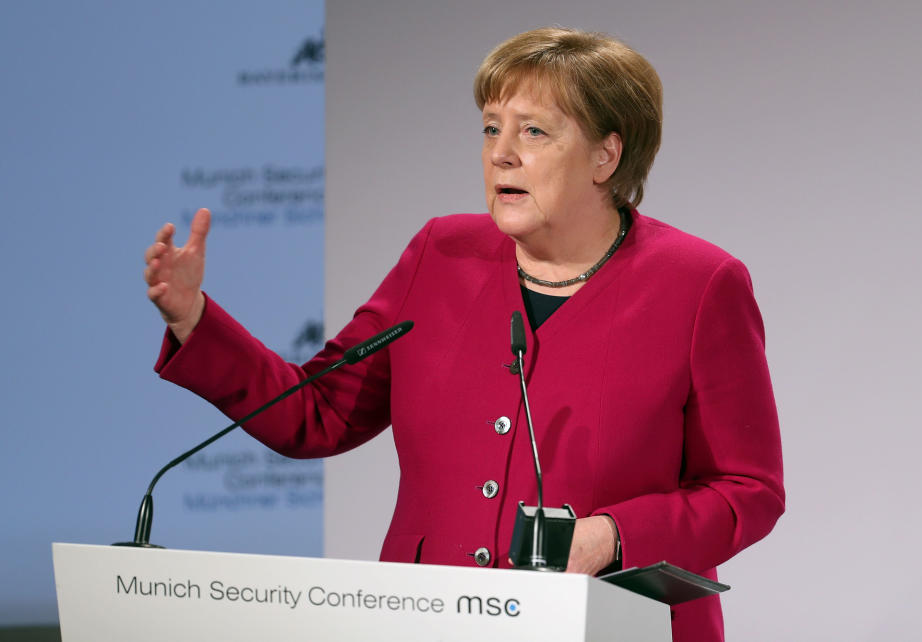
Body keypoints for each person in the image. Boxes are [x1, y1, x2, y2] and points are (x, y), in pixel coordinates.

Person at [144, 27, 784, 641]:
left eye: (533, 131)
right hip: (429, 623)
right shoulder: (439, 254)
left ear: (605, 155)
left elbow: (748, 491)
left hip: (610, 625)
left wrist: (614, 533)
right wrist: (194, 319)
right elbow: (315, 413)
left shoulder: (699, 284)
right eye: (491, 128)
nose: (501, 151)